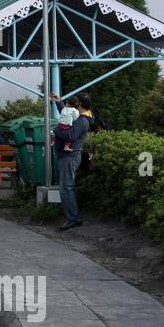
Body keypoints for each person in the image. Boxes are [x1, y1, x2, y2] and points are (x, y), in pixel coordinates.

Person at [50, 93, 91, 230]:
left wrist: (55, 129)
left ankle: (72, 219)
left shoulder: (82, 120)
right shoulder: (80, 117)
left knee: (66, 188)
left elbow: (70, 134)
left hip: (70, 156)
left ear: (79, 104)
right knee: (67, 187)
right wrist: (59, 103)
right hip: (68, 156)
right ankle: (73, 217)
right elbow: (67, 117)